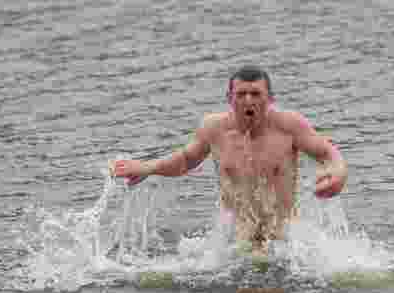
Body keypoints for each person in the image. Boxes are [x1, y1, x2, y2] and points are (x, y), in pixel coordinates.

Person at [112, 66, 348, 254]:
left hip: (283, 242)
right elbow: (185, 160)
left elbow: (327, 152)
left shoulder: (289, 126)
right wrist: (146, 168)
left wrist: (338, 173)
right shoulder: (214, 128)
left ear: (270, 98)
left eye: (256, 94)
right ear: (229, 98)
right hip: (234, 245)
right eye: (241, 94)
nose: (248, 101)